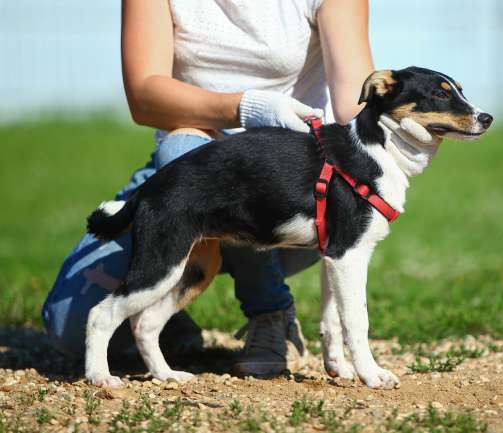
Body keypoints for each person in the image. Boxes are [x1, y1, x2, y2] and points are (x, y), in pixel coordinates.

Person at [42, 0, 426, 377]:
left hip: (294, 186)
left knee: (260, 190)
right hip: (187, 170)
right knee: (66, 326)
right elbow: (143, 98)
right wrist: (246, 107)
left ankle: (269, 312)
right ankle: (165, 316)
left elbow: (354, 108)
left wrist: (412, 137)